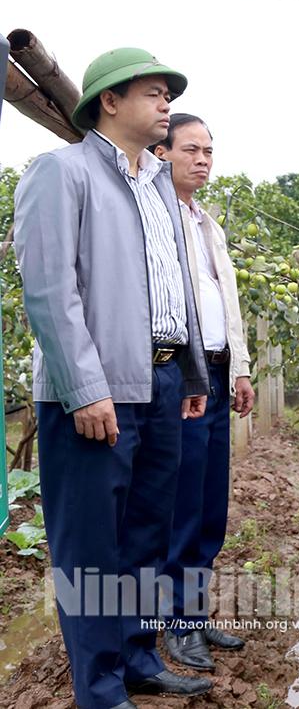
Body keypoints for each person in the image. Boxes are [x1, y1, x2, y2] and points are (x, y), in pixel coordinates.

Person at [14, 48, 212, 708]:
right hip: (94, 391)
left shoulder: (157, 184)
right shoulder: (62, 172)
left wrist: (187, 372)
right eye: (154, 93)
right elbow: (48, 289)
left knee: (146, 536)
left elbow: (173, 288)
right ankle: (98, 690)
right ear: (109, 100)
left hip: (156, 386)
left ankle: (134, 659)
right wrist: (83, 386)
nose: (165, 105)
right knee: (92, 550)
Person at [151, 113, 255, 671]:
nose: (203, 159)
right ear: (162, 153)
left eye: (209, 151)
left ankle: (195, 614)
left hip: (215, 376)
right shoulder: (156, 217)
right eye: (191, 149)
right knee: (182, 505)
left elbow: (225, 310)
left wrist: (239, 367)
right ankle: (175, 624)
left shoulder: (206, 223)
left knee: (211, 504)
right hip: (180, 377)